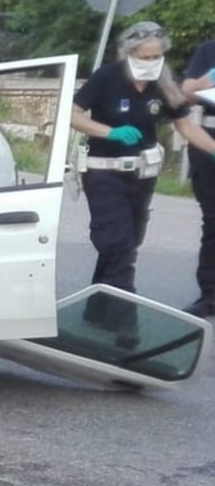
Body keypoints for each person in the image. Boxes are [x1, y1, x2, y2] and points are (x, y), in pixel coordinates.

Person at [70, 21, 215, 336]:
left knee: (125, 245)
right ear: (129, 53)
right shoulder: (107, 78)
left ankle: (96, 310)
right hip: (105, 172)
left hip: (142, 176)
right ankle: (127, 329)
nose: (151, 63)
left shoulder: (164, 84)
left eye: (156, 56)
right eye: (145, 56)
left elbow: (186, 126)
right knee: (118, 245)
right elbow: (72, 114)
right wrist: (110, 131)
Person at [177, 36, 215, 315]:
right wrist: (208, 80)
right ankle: (211, 295)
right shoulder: (208, 51)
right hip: (208, 140)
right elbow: (186, 92)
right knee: (213, 220)